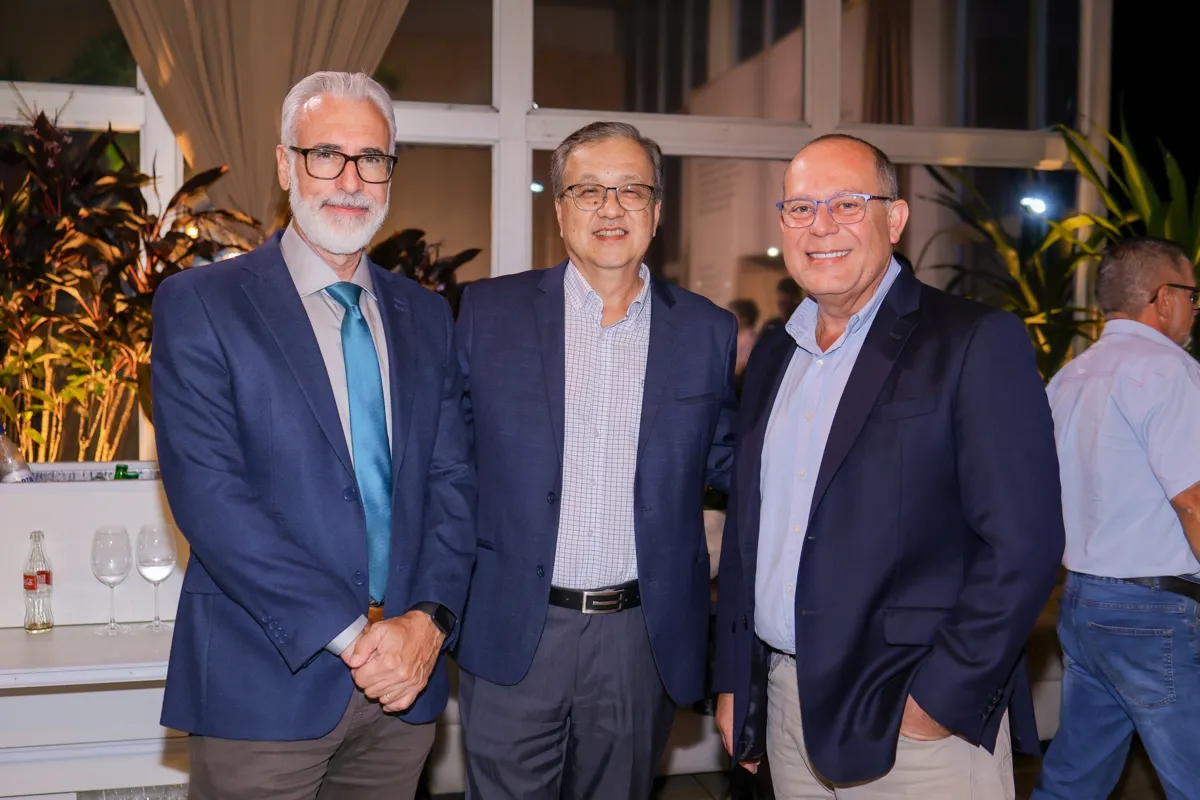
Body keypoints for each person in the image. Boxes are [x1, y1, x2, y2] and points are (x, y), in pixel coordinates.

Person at [151, 70, 475, 800]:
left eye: (372, 159)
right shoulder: (201, 305)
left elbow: (454, 485)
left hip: (404, 692)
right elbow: (210, 497)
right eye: (326, 154)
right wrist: (358, 639)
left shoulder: (426, 316)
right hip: (263, 685)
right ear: (284, 164)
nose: (350, 180)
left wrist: (428, 622)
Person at [713, 133, 1064, 798]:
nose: (822, 228)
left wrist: (935, 703)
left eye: (848, 204)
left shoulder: (973, 341)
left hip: (910, 718)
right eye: (801, 209)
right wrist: (738, 682)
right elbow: (746, 535)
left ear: (895, 219)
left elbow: (1025, 544)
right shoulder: (772, 358)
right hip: (787, 703)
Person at [452, 120, 738, 799]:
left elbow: (734, 465)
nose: (611, 208)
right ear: (559, 209)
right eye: (588, 191)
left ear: (657, 211)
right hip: (514, 628)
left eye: (631, 191)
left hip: (641, 640)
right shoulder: (487, 314)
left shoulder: (707, 330)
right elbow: (447, 467)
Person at [1033, 237, 1200, 800]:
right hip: (1157, 611)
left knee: (1075, 777)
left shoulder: (1070, 377)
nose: (1195, 309)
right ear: (1164, 297)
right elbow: (1194, 500)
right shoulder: (1168, 372)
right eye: (1193, 295)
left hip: (1084, 603)